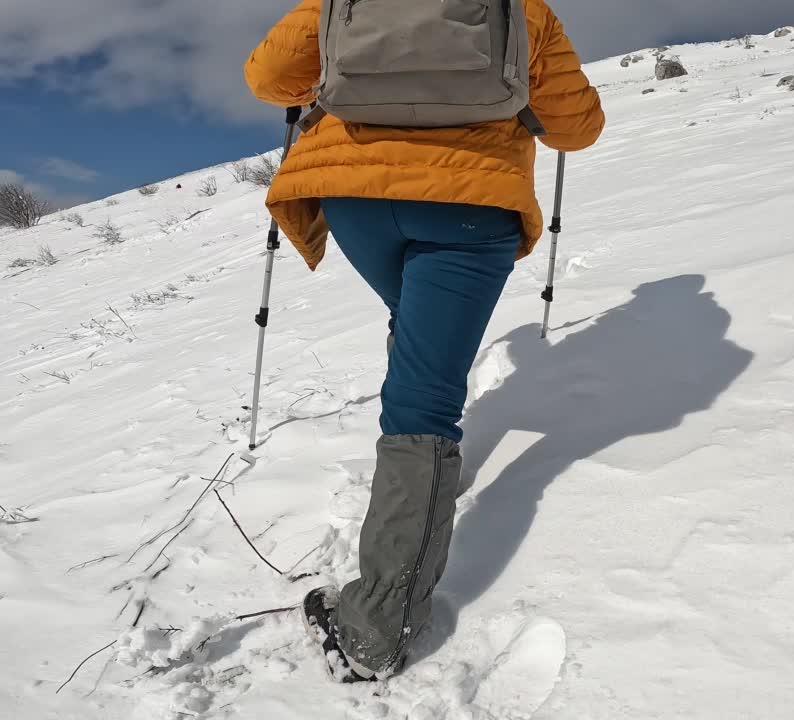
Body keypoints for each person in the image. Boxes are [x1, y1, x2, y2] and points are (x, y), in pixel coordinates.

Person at [244, 0, 604, 681]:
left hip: (354, 193)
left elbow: (267, 78)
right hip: (470, 203)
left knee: (413, 331)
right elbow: (577, 129)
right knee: (424, 402)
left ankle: (412, 508)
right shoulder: (521, 8)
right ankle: (377, 627)